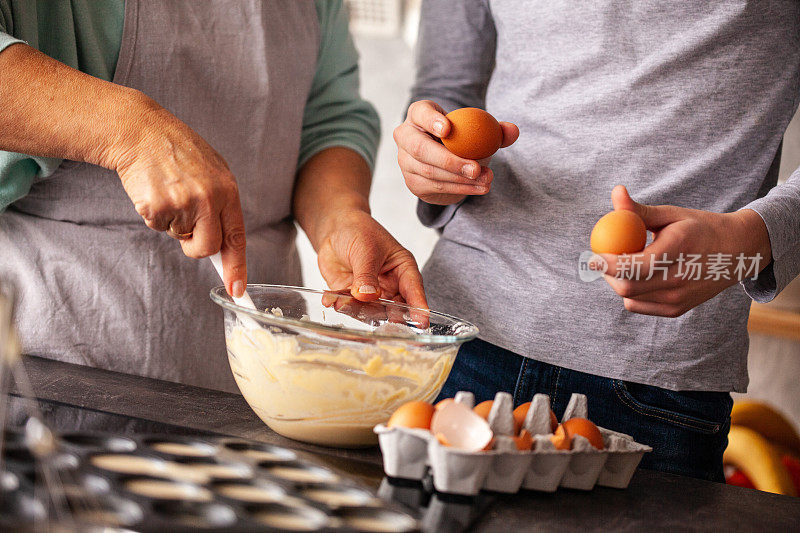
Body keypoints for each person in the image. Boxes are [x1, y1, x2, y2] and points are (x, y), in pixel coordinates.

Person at [393, 0, 800, 481]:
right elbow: (445, 91)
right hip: (461, 335)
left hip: (657, 374)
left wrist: (752, 238)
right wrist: (429, 155)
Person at [0, 0, 426, 392]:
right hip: (54, 357)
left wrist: (338, 215)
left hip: (248, 380)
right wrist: (131, 131)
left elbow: (328, 117)